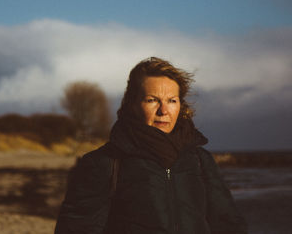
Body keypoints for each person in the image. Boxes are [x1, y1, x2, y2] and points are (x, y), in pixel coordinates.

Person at [55, 57, 247, 234]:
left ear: (181, 106)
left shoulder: (200, 161)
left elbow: (229, 225)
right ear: (132, 104)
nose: (163, 110)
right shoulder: (104, 163)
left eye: (172, 101)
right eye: (152, 100)